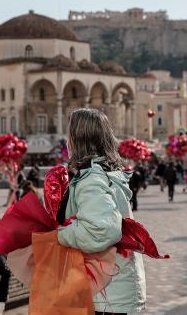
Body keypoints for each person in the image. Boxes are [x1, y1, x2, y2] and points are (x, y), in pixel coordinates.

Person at [56, 108, 146, 314]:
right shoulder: (105, 172)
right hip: (114, 291)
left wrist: (58, 235)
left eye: (69, 133)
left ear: (78, 138)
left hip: (107, 295)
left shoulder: (92, 179)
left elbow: (102, 230)